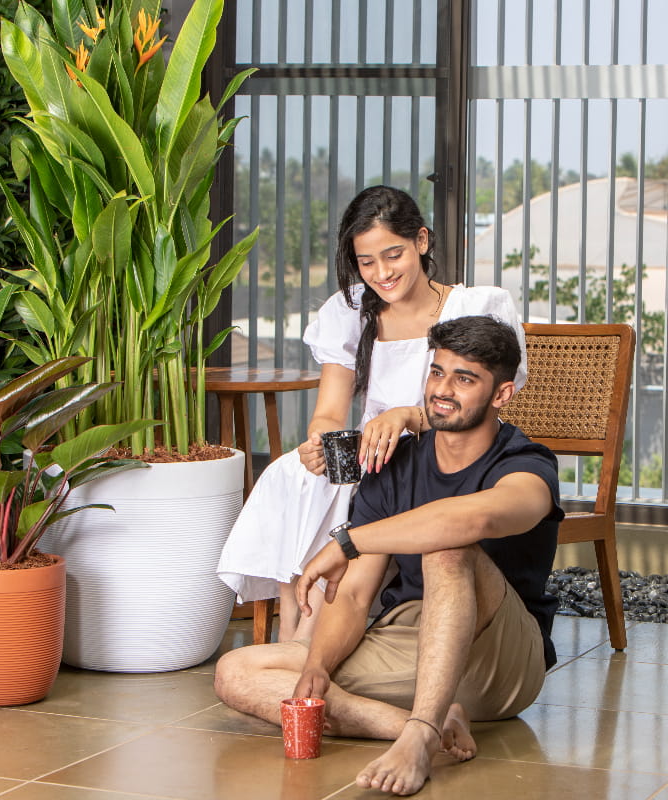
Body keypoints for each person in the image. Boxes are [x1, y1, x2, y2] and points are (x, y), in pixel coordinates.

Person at [214, 316, 563, 797]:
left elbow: (473, 520)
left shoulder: (526, 464)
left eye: (465, 379)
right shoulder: (395, 463)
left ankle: (421, 735)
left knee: (447, 550)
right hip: (409, 642)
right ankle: (422, 723)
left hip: (497, 658)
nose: (443, 389)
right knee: (237, 673)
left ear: (501, 394)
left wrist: (349, 541)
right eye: (437, 372)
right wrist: (315, 663)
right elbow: (355, 596)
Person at [217, 186, 528, 641]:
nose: (381, 273)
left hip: (435, 451)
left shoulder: (474, 306)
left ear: (422, 241)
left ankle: (309, 644)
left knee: (362, 481)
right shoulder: (349, 310)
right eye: (367, 262)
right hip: (370, 448)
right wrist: (319, 443)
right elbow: (328, 412)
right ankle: (295, 628)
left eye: (393, 255)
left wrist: (406, 416)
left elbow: (481, 401)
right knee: (294, 474)